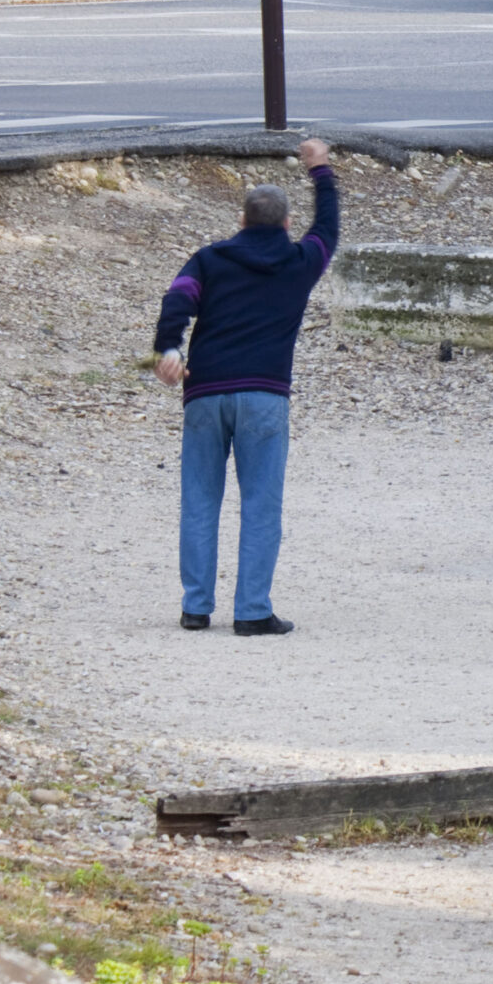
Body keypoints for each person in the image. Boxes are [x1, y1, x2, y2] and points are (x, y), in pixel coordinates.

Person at [152, 137, 340, 636]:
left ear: (241, 220)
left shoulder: (210, 260)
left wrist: (169, 349)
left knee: (199, 498)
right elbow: (328, 229)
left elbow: (177, 301)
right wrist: (320, 169)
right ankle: (252, 610)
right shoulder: (301, 263)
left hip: (205, 390)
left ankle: (196, 607)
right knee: (260, 502)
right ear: (284, 224)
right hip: (264, 393)